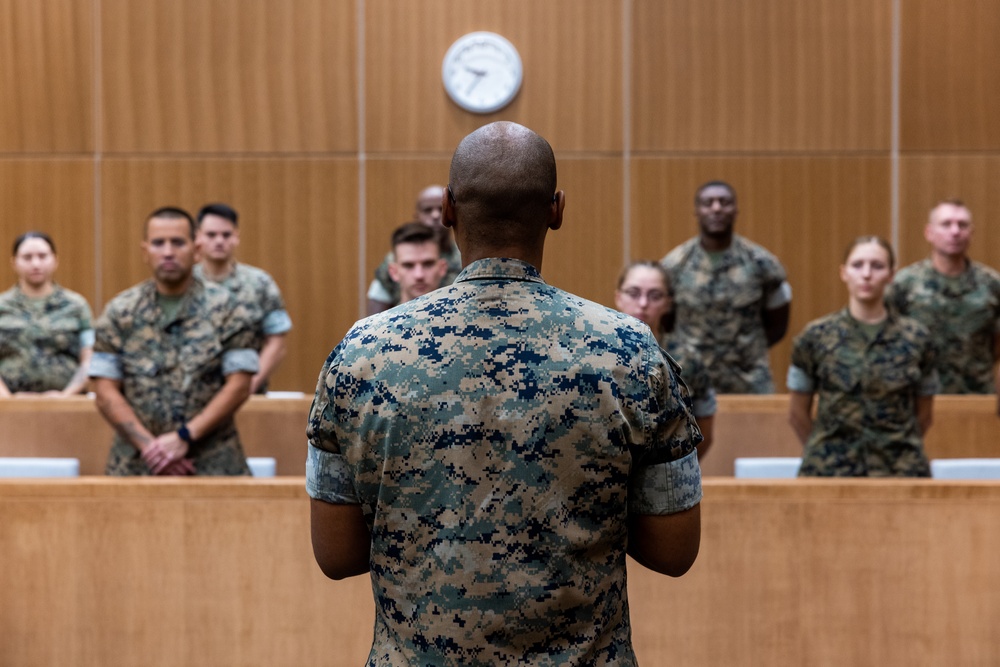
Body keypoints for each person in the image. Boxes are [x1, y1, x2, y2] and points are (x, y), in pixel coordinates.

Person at [307, 121, 703, 665]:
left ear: (447, 210)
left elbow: (336, 555)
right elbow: (674, 551)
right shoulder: (629, 350)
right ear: (557, 210)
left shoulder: (363, 351)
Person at [89, 206, 259, 476]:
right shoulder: (120, 311)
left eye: (178, 242)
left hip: (213, 463)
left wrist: (183, 437)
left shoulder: (229, 308)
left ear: (196, 249)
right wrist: (152, 448)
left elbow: (240, 384)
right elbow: (104, 389)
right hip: (137, 463)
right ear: (145, 251)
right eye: (158, 243)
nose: (168, 252)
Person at [787, 236, 937, 477]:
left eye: (877, 266)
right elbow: (797, 414)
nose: (866, 274)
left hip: (900, 468)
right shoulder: (815, 336)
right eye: (857, 265)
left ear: (891, 274)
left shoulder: (917, 338)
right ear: (843, 272)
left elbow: (925, 415)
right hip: (829, 469)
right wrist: (827, 451)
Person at [661, 181, 792, 393]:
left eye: (725, 202)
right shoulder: (674, 265)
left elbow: (778, 326)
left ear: (735, 209)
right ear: (697, 211)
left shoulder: (763, 264)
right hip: (689, 381)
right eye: (708, 203)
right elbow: (665, 323)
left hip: (748, 381)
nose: (716, 208)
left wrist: (745, 352)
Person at [886, 199, 1000, 414]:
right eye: (946, 224)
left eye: (962, 225)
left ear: (971, 233)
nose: (955, 231)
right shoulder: (904, 284)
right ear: (929, 232)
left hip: (977, 402)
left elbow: (998, 350)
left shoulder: (992, 285)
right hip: (917, 402)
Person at [614, 260, 717, 460]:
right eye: (633, 293)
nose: (643, 304)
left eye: (655, 296)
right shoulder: (599, 353)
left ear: (668, 303)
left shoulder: (689, 360)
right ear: (618, 297)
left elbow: (705, 433)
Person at [194, 203, 292, 394]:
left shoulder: (260, 283)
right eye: (211, 235)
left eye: (226, 235)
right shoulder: (184, 284)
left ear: (236, 237)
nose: (219, 241)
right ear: (198, 237)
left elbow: (277, 343)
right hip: (193, 399)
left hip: (248, 396)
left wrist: (248, 385)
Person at [0, 232, 93, 397]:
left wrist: (65, 397)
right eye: (27, 257)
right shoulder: (2, 306)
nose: (36, 264)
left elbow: (89, 360)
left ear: (55, 260)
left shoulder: (76, 306)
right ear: (14, 263)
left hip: (68, 405)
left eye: (42, 256)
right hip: (7, 408)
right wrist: (8, 400)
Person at [365, 185, 463, 315]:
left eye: (440, 209)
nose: (435, 215)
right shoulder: (393, 260)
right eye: (428, 210)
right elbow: (374, 314)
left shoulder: (465, 259)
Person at [386, 222, 448, 304]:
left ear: (442, 268)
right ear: (394, 272)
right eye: (408, 265)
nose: (419, 275)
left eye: (428, 264)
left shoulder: (461, 316)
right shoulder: (385, 317)